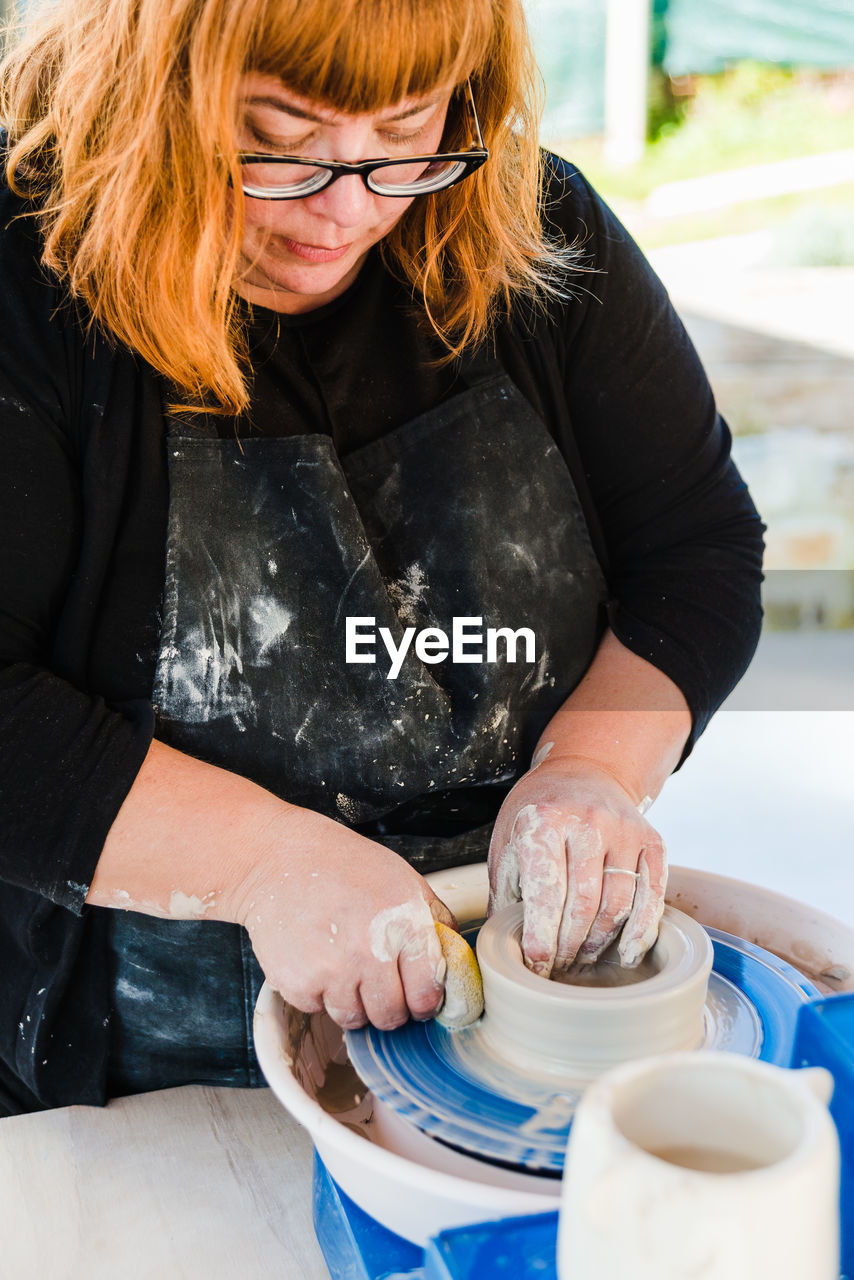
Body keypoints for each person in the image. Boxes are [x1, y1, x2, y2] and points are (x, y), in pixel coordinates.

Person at [0, 0, 763, 1116]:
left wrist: (588, 772)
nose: (345, 209)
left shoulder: (531, 226)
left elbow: (695, 552)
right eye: (278, 140)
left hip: (518, 1013)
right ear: (149, 88)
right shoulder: (30, 272)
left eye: (403, 134)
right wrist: (263, 861)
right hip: (140, 1061)